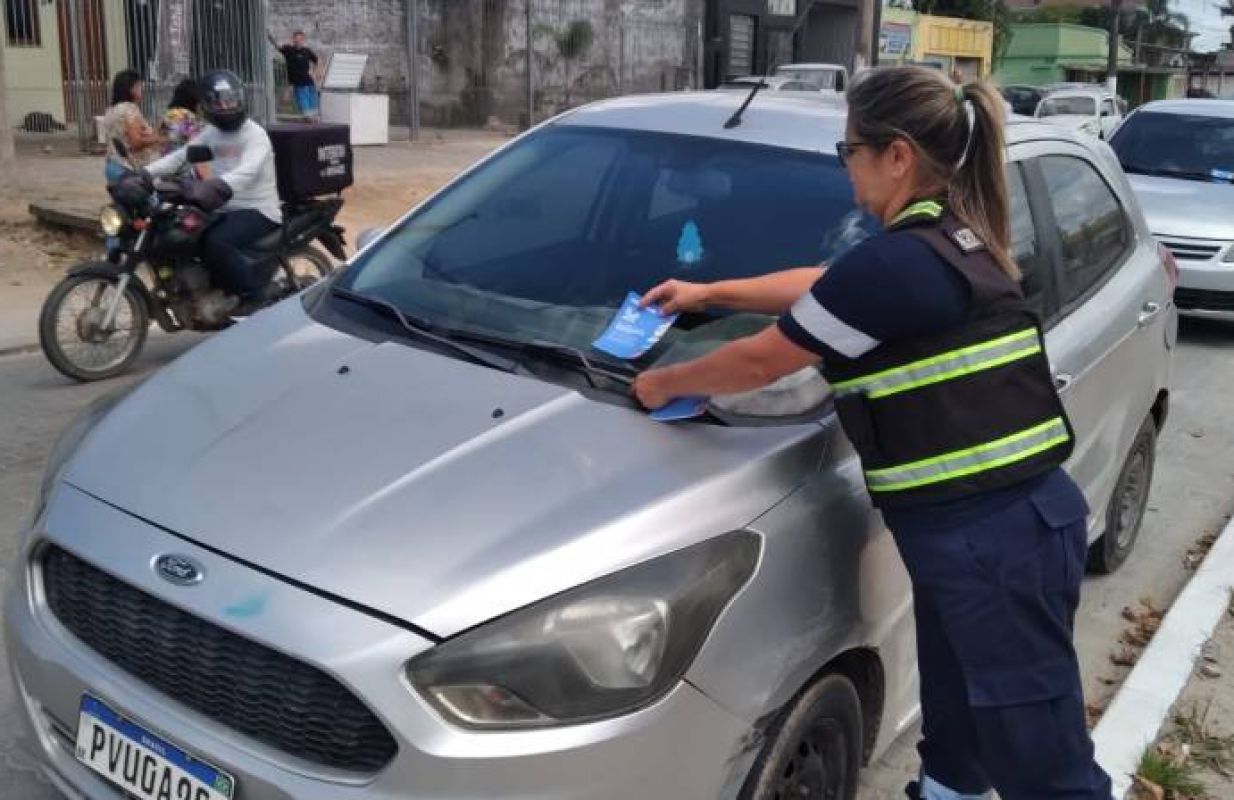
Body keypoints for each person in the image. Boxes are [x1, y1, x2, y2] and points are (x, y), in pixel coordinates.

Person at [632, 65, 1113, 800]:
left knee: (1042, 766)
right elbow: (827, 280)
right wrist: (710, 292)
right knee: (958, 731)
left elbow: (763, 361)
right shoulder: (938, 241)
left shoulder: (903, 262)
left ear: (897, 157)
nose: (844, 167)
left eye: (848, 150)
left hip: (996, 543)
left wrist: (659, 382)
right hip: (989, 535)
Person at [146, 69, 283, 315]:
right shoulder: (212, 133)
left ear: (241, 99)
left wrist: (215, 186)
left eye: (230, 99)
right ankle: (205, 290)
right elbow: (181, 156)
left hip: (257, 209)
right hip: (222, 205)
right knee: (183, 233)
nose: (226, 106)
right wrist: (145, 174)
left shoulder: (255, 135)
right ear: (207, 105)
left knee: (217, 241)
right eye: (218, 101)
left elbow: (247, 171)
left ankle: (252, 296)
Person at [102, 70, 162, 183]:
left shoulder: (111, 110)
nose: (141, 89)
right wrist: (158, 138)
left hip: (113, 166)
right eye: (139, 86)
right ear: (131, 89)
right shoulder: (130, 109)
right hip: (129, 169)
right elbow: (136, 143)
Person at [269, 29, 320, 119]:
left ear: (303, 40)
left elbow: (317, 60)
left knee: (313, 103)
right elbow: (277, 47)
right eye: (296, 39)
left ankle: (314, 118)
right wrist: (270, 37)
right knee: (304, 104)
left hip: (309, 81)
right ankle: (308, 118)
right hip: (298, 83)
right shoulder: (288, 50)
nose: (297, 41)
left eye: (300, 39)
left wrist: (315, 73)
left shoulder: (307, 51)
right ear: (293, 39)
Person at [161, 78, 203, 153]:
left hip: (167, 157)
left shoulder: (171, 113)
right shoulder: (186, 115)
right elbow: (195, 141)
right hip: (182, 158)